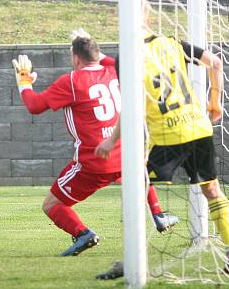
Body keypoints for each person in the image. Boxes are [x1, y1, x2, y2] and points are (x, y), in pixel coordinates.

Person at [94, 8, 229, 278]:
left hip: (168, 136)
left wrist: (111, 141)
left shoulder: (126, 57)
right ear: (148, 18)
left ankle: (131, 262)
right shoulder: (173, 43)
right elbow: (215, 63)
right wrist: (215, 101)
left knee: (135, 189)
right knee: (212, 190)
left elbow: (131, 106)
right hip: (198, 127)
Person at [12, 32, 176, 257]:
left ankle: (83, 234)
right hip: (125, 153)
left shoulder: (71, 81)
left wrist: (24, 81)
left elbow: (35, 106)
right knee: (138, 172)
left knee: (51, 205)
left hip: (95, 161)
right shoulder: (114, 71)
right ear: (97, 54)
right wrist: (90, 43)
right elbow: (110, 61)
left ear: (76, 59)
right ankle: (158, 214)